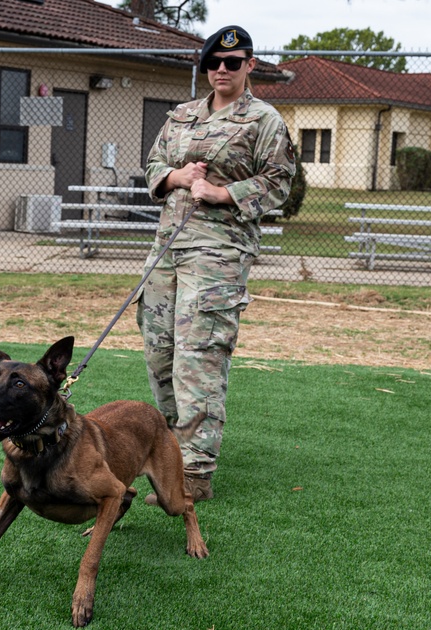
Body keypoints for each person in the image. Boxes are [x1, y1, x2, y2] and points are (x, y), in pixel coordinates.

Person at [136, 25, 295, 502]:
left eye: (232, 62)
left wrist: (224, 192)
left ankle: (194, 474)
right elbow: (152, 166)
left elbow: (280, 182)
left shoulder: (264, 120)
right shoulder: (182, 114)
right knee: (159, 349)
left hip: (219, 251)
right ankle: (169, 452)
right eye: (213, 63)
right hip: (168, 246)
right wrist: (175, 177)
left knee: (198, 355)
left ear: (250, 65)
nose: (221, 70)